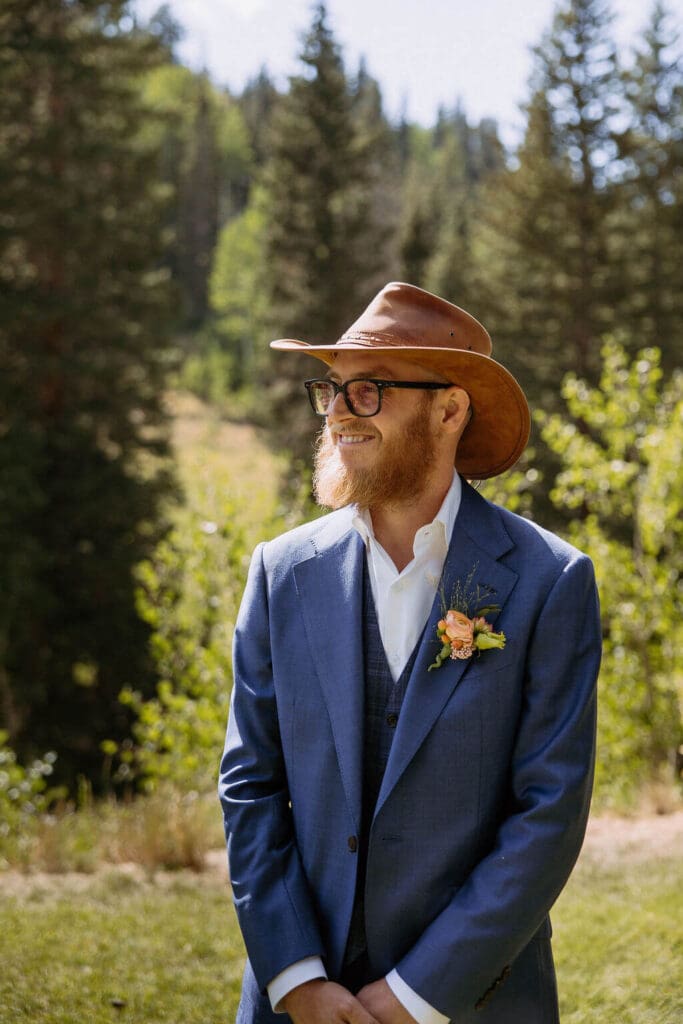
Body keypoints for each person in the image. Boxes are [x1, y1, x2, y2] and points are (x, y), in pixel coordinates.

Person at [219, 281, 601, 1024]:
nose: (336, 413)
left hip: (475, 998)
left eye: (367, 392)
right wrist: (294, 975)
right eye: (330, 391)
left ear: (449, 409)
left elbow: (547, 813)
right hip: (296, 998)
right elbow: (249, 785)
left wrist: (418, 994)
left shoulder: (549, 581)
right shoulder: (280, 571)